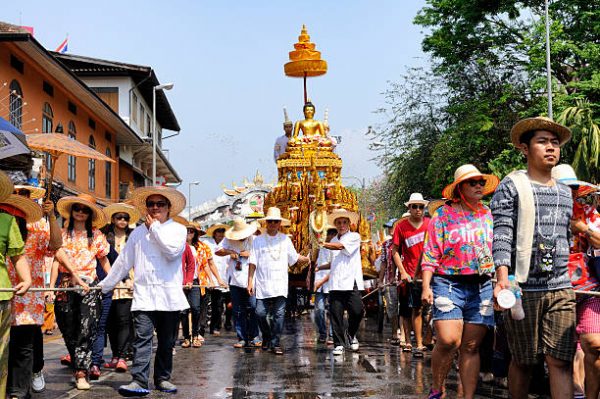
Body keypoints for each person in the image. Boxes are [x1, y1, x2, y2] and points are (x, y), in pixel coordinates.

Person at [491, 117, 575, 399]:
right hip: (522, 288)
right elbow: (502, 234)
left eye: (554, 143)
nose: (550, 148)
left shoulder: (566, 192)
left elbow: (567, 238)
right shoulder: (511, 186)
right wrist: (503, 279)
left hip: (561, 286)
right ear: (525, 148)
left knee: (560, 361)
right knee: (525, 362)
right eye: (542, 142)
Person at [99, 186, 188, 396]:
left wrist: (155, 229)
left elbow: (172, 252)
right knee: (142, 339)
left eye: (160, 204)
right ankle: (139, 380)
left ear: (169, 208)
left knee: (167, 341)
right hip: (144, 296)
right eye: (151, 204)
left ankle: (163, 378)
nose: (155, 208)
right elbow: (123, 262)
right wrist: (106, 285)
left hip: (170, 297)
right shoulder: (138, 233)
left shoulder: (178, 230)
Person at [422, 164, 499, 399]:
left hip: (482, 284)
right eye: (472, 182)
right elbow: (431, 253)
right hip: (448, 282)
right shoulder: (443, 215)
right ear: (459, 188)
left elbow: (498, 249)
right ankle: (437, 388)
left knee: (471, 346)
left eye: (481, 182)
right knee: (448, 340)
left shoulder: (487, 214)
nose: (478, 186)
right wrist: (426, 286)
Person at [5, 174, 70, 398]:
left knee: (25, 343)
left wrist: (51, 216)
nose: (20, 196)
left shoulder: (39, 223)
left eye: (24, 193)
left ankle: (20, 390)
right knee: (9, 343)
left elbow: (55, 245)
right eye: (17, 192)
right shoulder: (3, 219)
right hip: (5, 288)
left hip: (31, 291)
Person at [551, 164, 600, 399]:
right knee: (560, 353)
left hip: (588, 290)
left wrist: (583, 228)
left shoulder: (588, 213)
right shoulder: (540, 215)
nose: (568, 192)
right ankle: (573, 390)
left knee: (594, 343)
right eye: (563, 187)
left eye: (572, 187)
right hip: (553, 291)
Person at [247, 207, 309, 354]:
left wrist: (306, 258)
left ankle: (275, 343)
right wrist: (250, 281)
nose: (273, 224)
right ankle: (267, 336)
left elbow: (294, 258)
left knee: (279, 315)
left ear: (280, 223)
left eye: (276, 221)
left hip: (280, 283)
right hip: (262, 282)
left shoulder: (285, 240)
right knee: (260, 313)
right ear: (266, 223)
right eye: (270, 221)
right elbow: (252, 262)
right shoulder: (258, 240)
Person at [0, 178, 33, 397]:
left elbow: (18, 256)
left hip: (1, 293)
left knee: (1, 352)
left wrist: (27, 279)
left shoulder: (7, 220)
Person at [102, 203, 140, 373]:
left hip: (128, 284)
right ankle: (115, 356)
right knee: (110, 323)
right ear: (113, 219)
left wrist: (136, 280)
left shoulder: (133, 237)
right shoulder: (104, 237)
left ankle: (122, 356)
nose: (123, 221)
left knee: (124, 320)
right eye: (119, 217)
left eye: (126, 218)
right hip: (109, 284)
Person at [392, 193, 430, 357]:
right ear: (409, 208)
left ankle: (426, 338)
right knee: (413, 309)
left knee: (430, 310)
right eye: (414, 206)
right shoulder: (401, 227)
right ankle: (415, 343)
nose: (418, 210)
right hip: (410, 275)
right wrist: (402, 272)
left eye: (420, 206)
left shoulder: (430, 224)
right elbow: (394, 251)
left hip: (430, 274)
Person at [322, 208, 364, 356]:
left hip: (351, 281)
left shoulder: (354, 236)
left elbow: (341, 247)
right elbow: (333, 261)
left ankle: (350, 334)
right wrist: (319, 267)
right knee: (336, 313)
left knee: (357, 311)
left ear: (349, 223)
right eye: (338, 223)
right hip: (335, 282)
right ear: (335, 224)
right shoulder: (333, 240)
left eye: (344, 222)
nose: (341, 225)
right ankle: (338, 343)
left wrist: (322, 243)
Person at [215, 218, 260, 348]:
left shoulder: (254, 240)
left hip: (251, 279)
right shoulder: (229, 240)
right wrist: (230, 252)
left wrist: (249, 254)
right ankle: (242, 337)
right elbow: (218, 251)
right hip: (235, 280)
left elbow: (261, 254)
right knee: (238, 310)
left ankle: (255, 336)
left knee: (253, 308)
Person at [203, 224, 232, 335]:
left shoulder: (229, 244)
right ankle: (215, 326)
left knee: (230, 305)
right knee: (217, 305)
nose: (220, 233)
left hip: (228, 277)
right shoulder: (208, 244)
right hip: (214, 279)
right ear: (214, 233)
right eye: (218, 231)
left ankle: (228, 321)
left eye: (222, 231)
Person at [314, 227, 336, 343]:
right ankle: (322, 333)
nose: (330, 236)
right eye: (329, 234)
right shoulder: (320, 247)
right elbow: (315, 260)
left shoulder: (337, 248)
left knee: (333, 310)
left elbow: (334, 267)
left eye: (333, 234)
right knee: (319, 310)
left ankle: (332, 334)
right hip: (319, 282)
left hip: (331, 282)